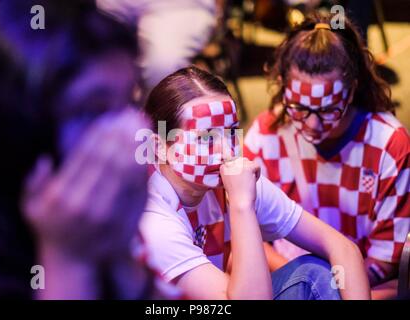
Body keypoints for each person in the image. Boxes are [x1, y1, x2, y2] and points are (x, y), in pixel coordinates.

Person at [0, 0, 176, 299]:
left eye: (130, 104)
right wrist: (68, 261)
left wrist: (119, 262)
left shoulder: (101, 214)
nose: (135, 133)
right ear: (15, 128)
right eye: (92, 111)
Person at [140, 66, 370, 300]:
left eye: (231, 132)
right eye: (206, 138)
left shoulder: (229, 178)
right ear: (160, 147)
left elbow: (342, 248)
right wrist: (242, 204)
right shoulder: (151, 217)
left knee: (315, 273)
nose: (227, 151)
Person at [243, 12, 410, 299]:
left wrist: (328, 287)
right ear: (282, 84)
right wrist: (306, 283)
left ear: (352, 88)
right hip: (286, 281)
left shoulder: (388, 145)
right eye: (299, 107)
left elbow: (387, 259)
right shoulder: (266, 134)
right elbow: (246, 240)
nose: (312, 125)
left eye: (328, 109)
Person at [96, 0, 219, 94]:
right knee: (93, 66)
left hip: (178, 6)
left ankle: (159, 123)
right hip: (113, 5)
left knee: (161, 66)